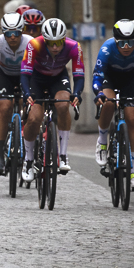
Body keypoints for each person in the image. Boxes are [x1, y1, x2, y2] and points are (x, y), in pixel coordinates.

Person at [20, 17, 83, 180]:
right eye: (50, 43)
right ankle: (28, 160)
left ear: (64, 39)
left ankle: (63, 155)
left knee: (63, 105)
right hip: (36, 79)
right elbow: (25, 73)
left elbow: (78, 75)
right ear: (44, 40)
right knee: (34, 118)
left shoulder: (74, 46)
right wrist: (27, 93)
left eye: (59, 42)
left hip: (58, 78)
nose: (55, 47)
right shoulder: (34, 44)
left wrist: (77, 93)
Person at [91, 20, 134, 183]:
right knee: (109, 103)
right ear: (115, 41)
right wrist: (98, 92)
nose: (126, 47)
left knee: (132, 119)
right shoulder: (107, 48)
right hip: (109, 77)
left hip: (130, 78)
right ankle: (102, 142)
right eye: (122, 43)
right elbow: (97, 75)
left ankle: (133, 173)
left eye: (130, 43)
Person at [0, 12, 34, 175]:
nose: (13, 37)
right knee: (5, 107)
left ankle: (29, 142)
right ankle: (0, 155)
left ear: (22, 31)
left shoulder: (30, 43)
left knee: (27, 106)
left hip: (25, 76)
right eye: (8, 33)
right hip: (4, 76)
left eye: (16, 33)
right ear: (3, 33)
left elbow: (36, 68)